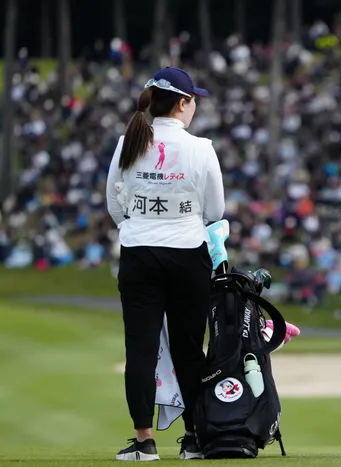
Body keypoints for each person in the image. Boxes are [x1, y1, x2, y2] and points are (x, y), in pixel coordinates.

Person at [106, 67, 225, 461]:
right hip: (188, 252)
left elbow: (114, 203)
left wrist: (139, 226)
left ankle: (144, 441)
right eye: (193, 101)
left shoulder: (128, 142)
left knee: (140, 349)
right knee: (189, 349)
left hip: (139, 252)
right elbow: (216, 211)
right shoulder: (201, 147)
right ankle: (193, 439)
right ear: (183, 103)